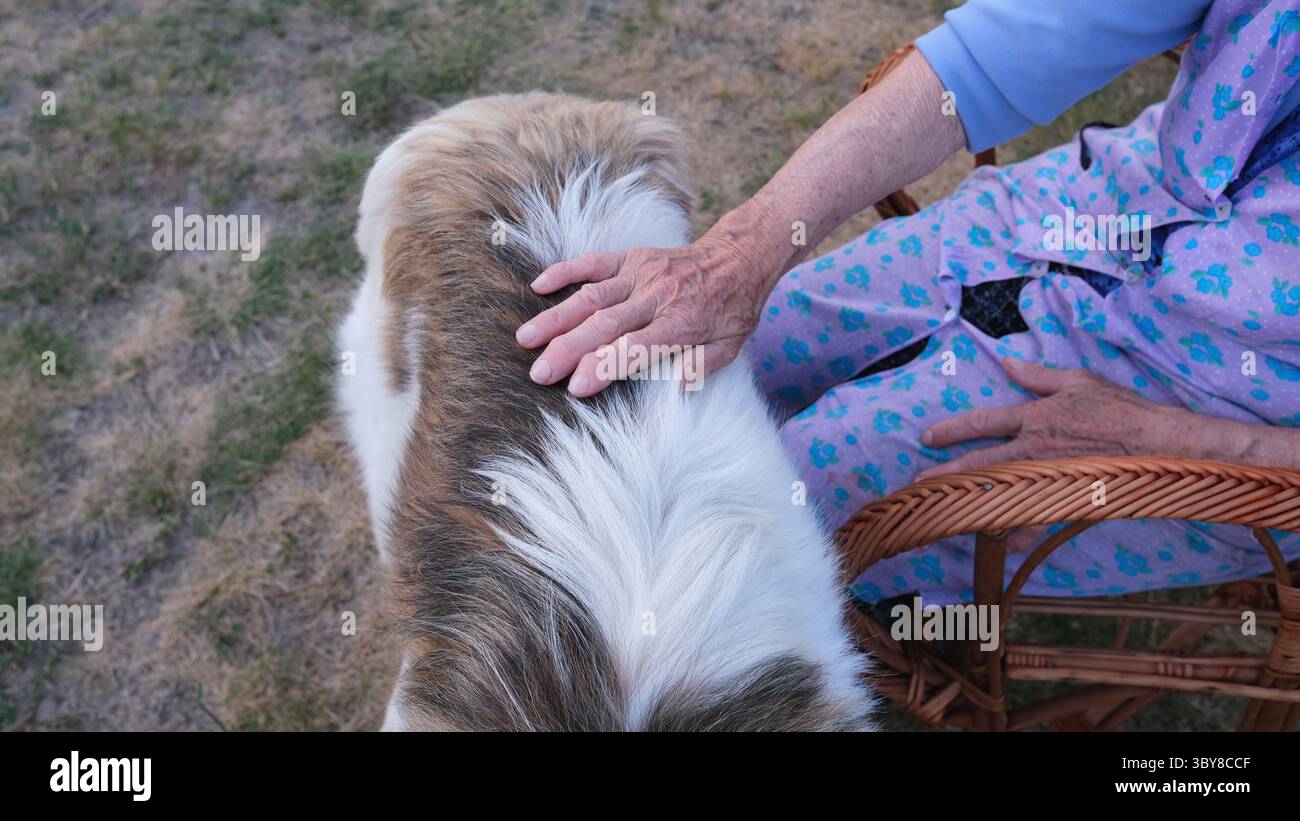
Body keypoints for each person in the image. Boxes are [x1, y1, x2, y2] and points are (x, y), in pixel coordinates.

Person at [514, 0, 1300, 603]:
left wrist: (1166, 439)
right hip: (1080, 212)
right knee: (679, 377)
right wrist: (741, 256)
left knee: (735, 526)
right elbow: (1000, 51)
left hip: (1206, 407)